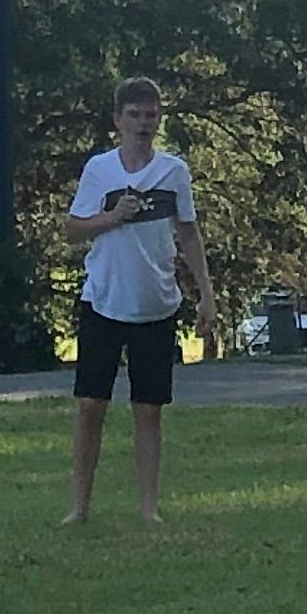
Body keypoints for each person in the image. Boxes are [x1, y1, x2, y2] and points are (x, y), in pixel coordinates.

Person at [62, 76, 217, 524]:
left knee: (148, 410)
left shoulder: (174, 172)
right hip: (104, 300)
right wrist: (112, 217)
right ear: (118, 119)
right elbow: (72, 229)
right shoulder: (99, 170)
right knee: (91, 406)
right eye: (134, 115)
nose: (143, 124)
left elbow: (188, 233)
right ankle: (79, 508)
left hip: (156, 304)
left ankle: (149, 508)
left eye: (150, 115)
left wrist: (206, 294)